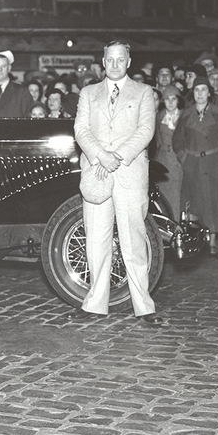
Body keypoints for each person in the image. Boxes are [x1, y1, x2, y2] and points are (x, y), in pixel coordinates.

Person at [73, 41, 163, 326]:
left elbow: (146, 130)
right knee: (96, 241)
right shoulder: (88, 93)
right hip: (97, 173)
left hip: (130, 174)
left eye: (119, 60)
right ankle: (96, 303)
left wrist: (119, 156)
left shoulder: (144, 92)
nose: (114, 65)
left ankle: (143, 305)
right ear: (102, 61)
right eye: (109, 60)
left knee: (133, 241)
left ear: (129, 61)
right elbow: (80, 129)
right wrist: (101, 156)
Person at [172, 77, 218, 255]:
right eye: (197, 90)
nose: (200, 94)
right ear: (193, 93)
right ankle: (198, 241)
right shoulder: (186, 114)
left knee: (214, 201)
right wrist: (184, 158)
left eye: (204, 90)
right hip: (193, 164)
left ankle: (213, 242)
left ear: (209, 93)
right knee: (195, 202)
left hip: (213, 163)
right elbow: (177, 140)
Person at [154, 85, 184, 220]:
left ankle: (177, 228)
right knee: (163, 196)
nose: (170, 102)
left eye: (174, 99)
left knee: (177, 196)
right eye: (167, 99)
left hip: (178, 161)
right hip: (162, 161)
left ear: (178, 100)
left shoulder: (185, 116)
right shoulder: (158, 117)